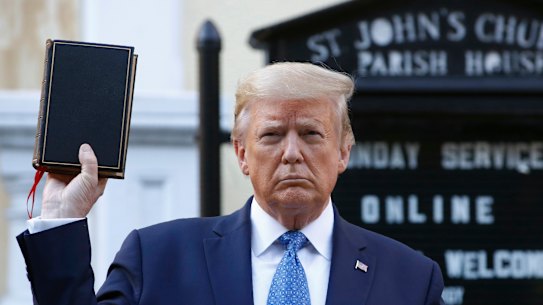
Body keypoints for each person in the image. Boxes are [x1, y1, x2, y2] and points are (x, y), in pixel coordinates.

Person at [17, 62, 445, 305]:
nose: (292, 153)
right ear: (241, 153)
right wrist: (62, 220)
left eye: (312, 134)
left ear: (343, 152)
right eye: (272, 135)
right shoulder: (159, 259)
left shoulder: (408, 279)